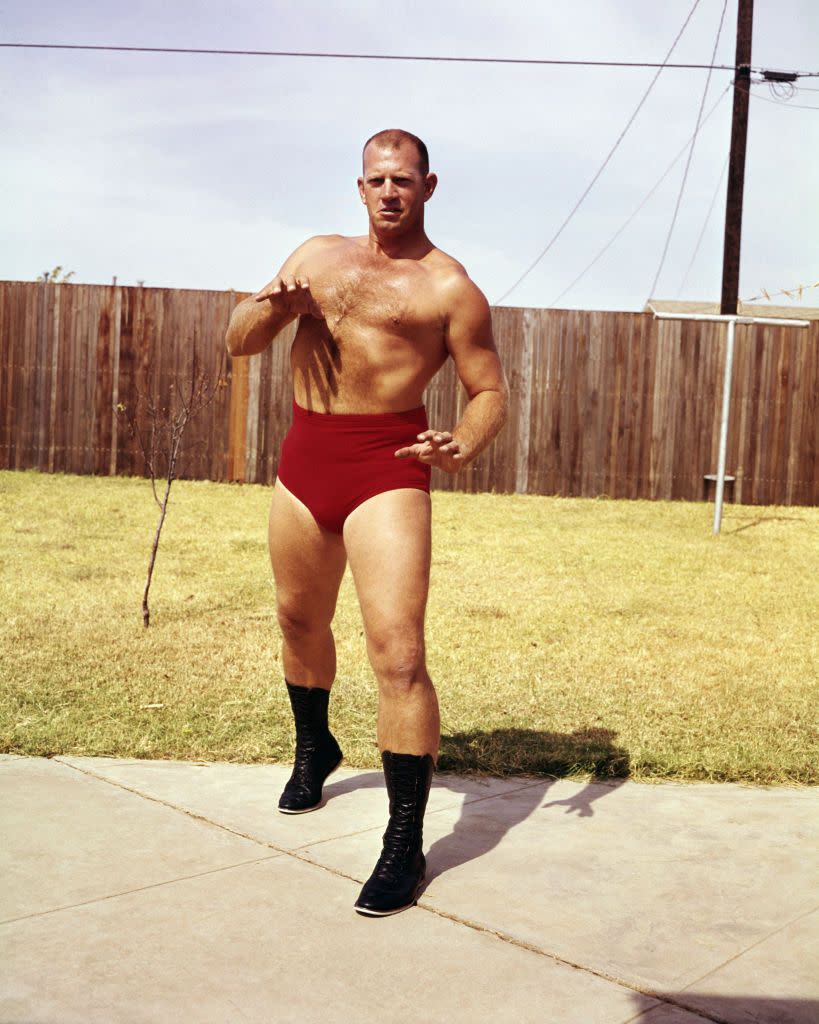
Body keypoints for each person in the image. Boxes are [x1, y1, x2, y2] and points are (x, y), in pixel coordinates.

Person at [225, 128, 508, 916]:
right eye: (377, 179)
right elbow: (237, 343)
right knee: (297, 618)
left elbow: (489, 390)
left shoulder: (449, 288)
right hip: (304, 457)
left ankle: (403, 839)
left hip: (388, 464)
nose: (390, 191)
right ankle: (314, 745)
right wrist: (270, 310)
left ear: (428, 187)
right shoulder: (315, 256)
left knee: (397, 651)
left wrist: (463, 441)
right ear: (359, 188)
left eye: (404, 180)